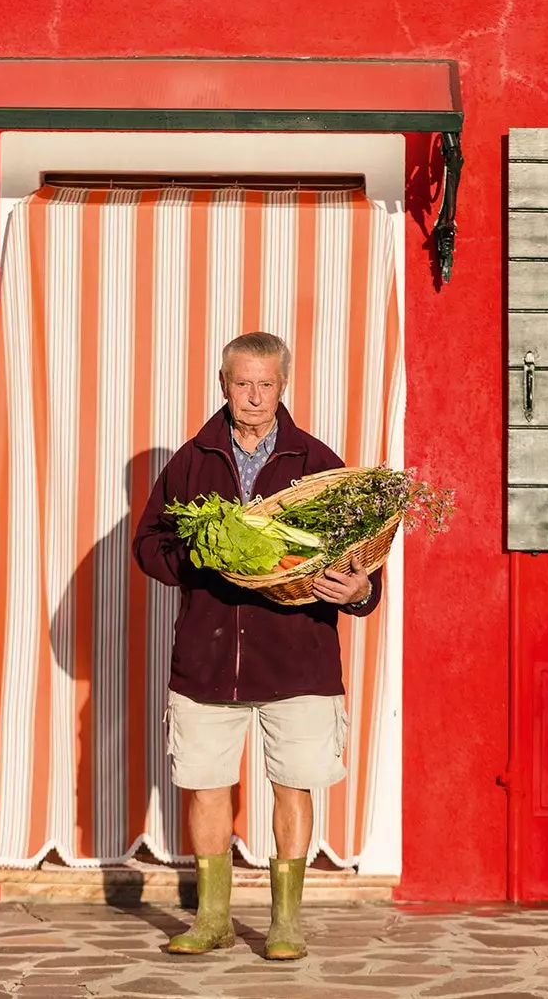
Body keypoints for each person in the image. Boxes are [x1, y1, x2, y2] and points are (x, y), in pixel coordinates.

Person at [132, 331, 381, 960]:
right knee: (205, 784)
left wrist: (356, 590)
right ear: (223, 384)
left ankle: (285, 922)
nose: (253, 395)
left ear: (283, 386)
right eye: (241, 382)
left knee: (293, 785)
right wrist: (201, 558)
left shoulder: (318, 463)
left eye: (265, 383)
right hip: (208, 658)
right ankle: (213, 917)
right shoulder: (192, 461)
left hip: (298, 659)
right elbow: (148, 546)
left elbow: (359, 565)